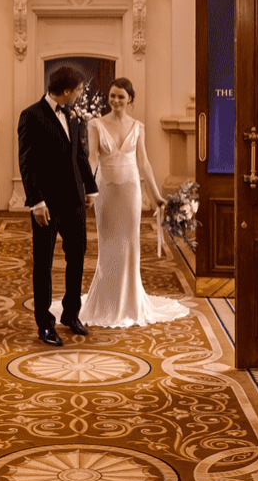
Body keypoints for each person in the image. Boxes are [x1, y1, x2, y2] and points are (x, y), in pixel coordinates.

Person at [52, 77, 190, 328]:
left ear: (130, 101)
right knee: (107, 246)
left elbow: (144, 163)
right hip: (105, 192)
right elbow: (92, 158)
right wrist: (86, 190)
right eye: (112, 95)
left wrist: (156, 195)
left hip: (130, 192)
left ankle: (130, 303)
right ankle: (106, 301)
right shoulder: (95, 124)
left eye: (121, 97)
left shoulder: (138, 126)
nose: (115, 100)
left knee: (130, 245)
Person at [18, 66, 99, 347]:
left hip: (74, 201)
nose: (79, 95)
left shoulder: (73, 115)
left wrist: (89, 188)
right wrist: (35, 201)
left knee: (76, 256)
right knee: (44, 264)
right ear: (66, 91)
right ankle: (45, 325)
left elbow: (80, 156)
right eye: (78, 90)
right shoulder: (31, 116)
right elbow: (26, 164)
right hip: (46, 204)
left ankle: (70, 314)